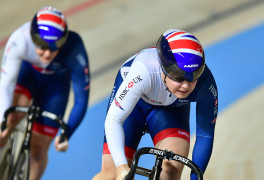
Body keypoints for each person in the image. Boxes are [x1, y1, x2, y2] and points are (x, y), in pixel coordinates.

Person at [0, 6, 90, 180]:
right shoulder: (20, 39)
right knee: (8, 119)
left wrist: (66, 133)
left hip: (56, 86)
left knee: (38, 151)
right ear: (33, 38)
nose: (47, 54)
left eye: (54, 48)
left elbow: (81, 99)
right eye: (42, 46)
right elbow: (6, 84)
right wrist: (2, 119)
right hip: (29, 74)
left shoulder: (75, 48)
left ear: (64, 41)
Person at [92, 29, 218, 180]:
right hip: (135, 103)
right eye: (178, 77)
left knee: (170, 170)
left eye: (193, 77)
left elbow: (205, 135)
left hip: (171, 109)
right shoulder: (143, 71)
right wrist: (121, 166)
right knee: (111, 175)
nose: (185, 86)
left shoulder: (205, 84)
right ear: (163, 69)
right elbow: (114, 120)